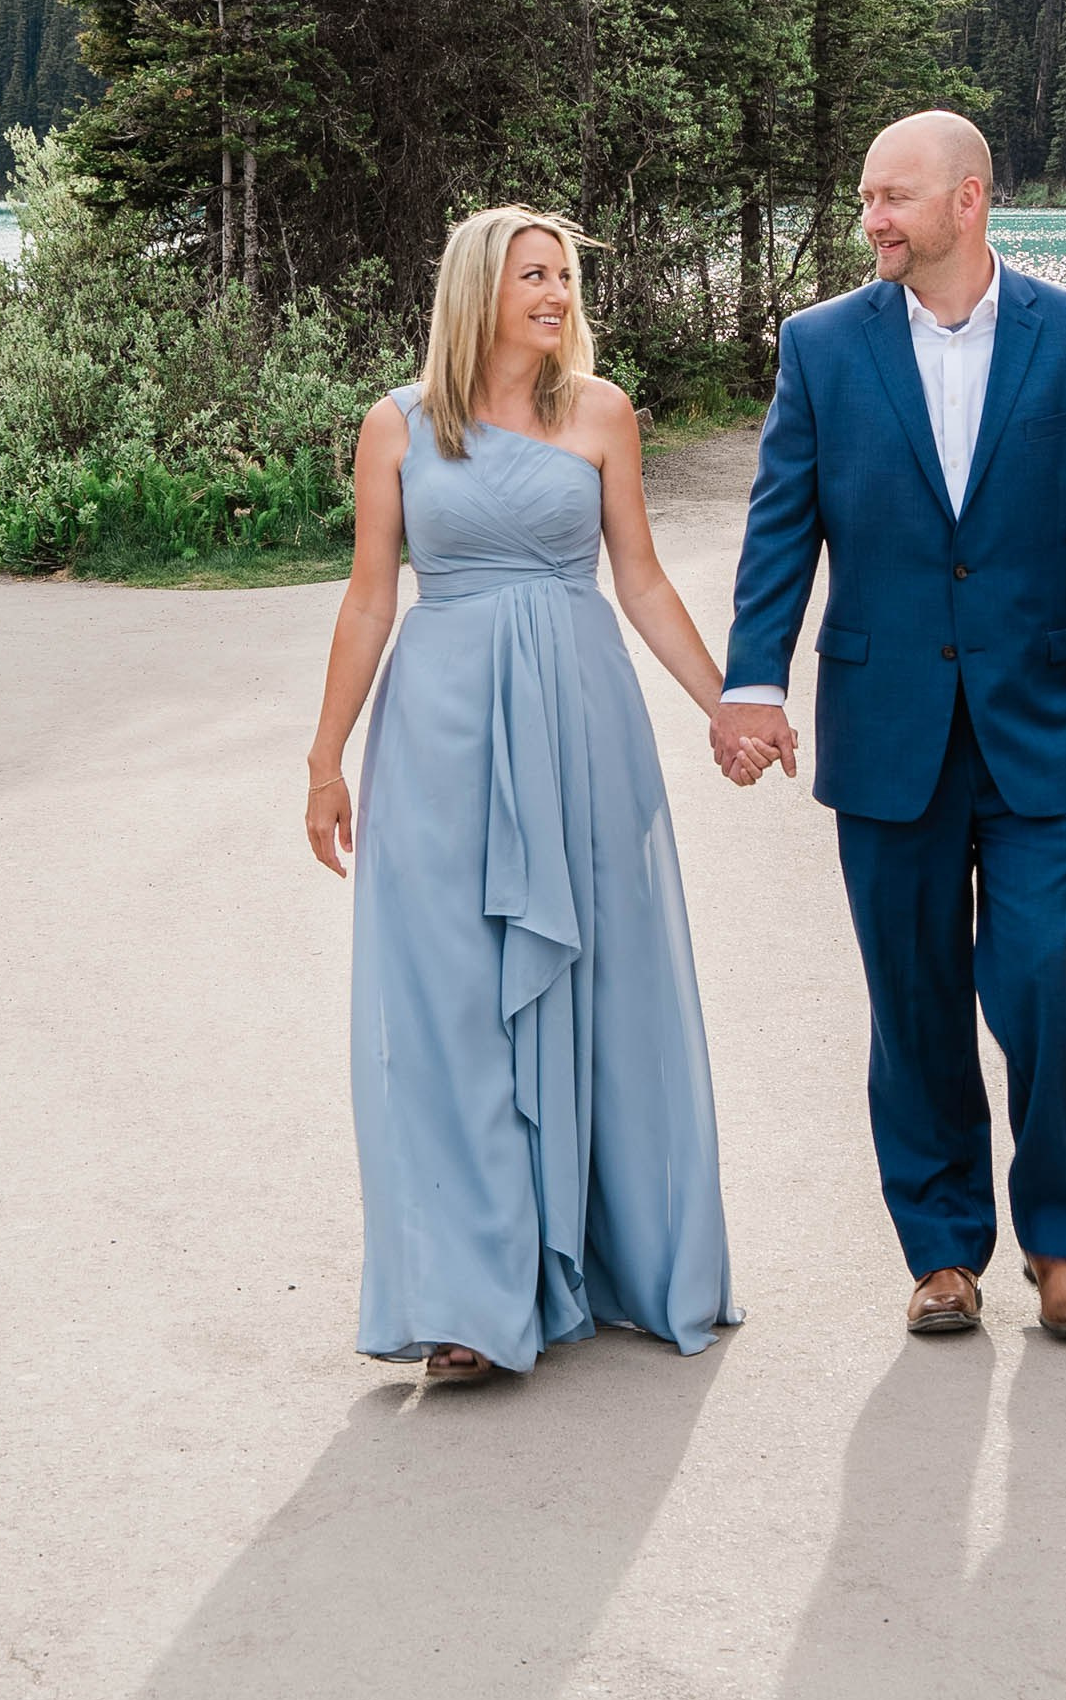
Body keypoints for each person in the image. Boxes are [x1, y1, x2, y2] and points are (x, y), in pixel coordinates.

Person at [714, 112, 1066, 1341]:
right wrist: (752, 679)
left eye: (893, 198)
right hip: (885, 726)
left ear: (967, 200)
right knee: (911, 1000)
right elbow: (778, 528)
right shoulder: (820, 347)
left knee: (1039, 981)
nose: (872, 219)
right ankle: (941, 1251)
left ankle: (1061, 1244)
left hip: (1046, 727)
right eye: (866, 197)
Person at [305, 207, 747, 1385]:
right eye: (532, 275)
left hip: (577, 725)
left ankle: (599, 1260)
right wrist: (323, 759)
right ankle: (468, 1297)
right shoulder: (394, 426)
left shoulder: (601, 414)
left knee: (602, 981)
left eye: (563, 276)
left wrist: (726, 704)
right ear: (475, 294)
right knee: (451, 996)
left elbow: (641, 581)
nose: (555, 293)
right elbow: (366, 599)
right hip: (440, 728)